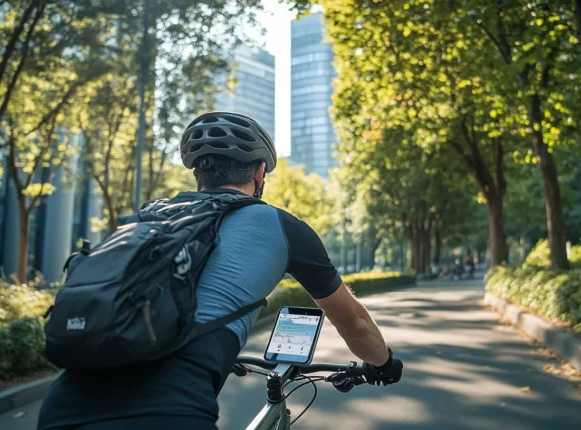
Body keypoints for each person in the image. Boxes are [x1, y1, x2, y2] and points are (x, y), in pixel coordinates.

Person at [37, 112, 403, 430]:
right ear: (260, 172)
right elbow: (352, 321)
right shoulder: (279, 224)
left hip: (61, 405)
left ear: (199, 173)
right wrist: (383, 363)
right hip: (167, 409)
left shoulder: (153, 216)